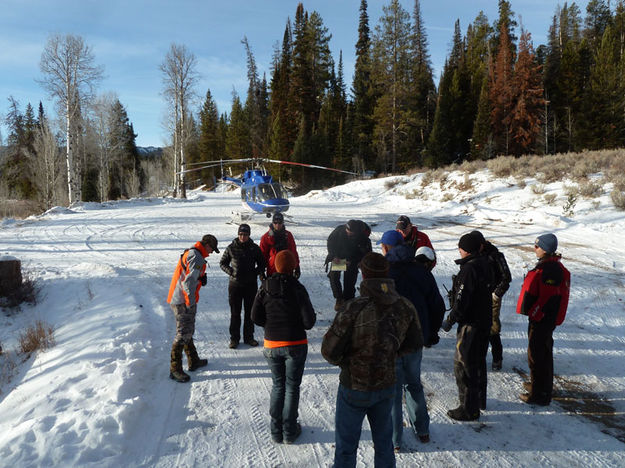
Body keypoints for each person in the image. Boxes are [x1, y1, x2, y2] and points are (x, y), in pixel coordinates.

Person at [322, 252, 421, 468]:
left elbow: (329, 351)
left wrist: (348, 361)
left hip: (354, 386)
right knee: (385, 445)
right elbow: (414, 343)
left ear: (363, 275)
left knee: (346, 447)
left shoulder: (352, 308)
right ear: (386, 273)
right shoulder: (404, 306)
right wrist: (389, 353)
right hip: (386, 385)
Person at [378, 230, 445, 451]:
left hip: (391, 341)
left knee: (393, 391)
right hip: (416, 339)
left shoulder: (383, 274)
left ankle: (396, 441)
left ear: (386, 248)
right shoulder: (422, 271)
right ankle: (422, 430)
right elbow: (437, 305)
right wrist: (431, 333)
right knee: (413, 384)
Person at [251, 250, 316, 444]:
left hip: (272, 344)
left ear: (276, 266)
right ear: (294, 266)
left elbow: (255, 316)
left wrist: (269, 325)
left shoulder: (265, 287)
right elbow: (309, 322)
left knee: (278, 385)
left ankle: (275, 431)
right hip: (295, 343)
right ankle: (289, 431)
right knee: (291, 387)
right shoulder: (298, 288)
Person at [441, 233, 492, 421]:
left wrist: (451, 319)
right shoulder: (485, 264)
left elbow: (462, 300)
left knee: (464, 365)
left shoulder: (469, 270)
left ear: (466, 250)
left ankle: (468, 408)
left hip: (471, 324)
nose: (459, 250)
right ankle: (478, 400)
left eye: (460, 247)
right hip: (484, 320)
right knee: (478, 362)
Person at [516, 233, 570, 406]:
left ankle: (540, 395)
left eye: (537, 246)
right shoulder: (550, 266)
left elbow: (547, 298)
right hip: (543, 319)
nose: (534, 248)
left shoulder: (550, 270)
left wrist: (536, 313)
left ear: (545, 249)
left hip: (542, 320)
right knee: (541, 352)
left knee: (538, 355)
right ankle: (539, 385)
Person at [166, 234, 219, 383]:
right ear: (206, 245)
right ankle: (174, 369)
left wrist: (200, 279)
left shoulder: (192, 252)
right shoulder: (196, 257)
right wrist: (190, 303)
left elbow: (189, 277)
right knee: (183, 333)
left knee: (188, 330)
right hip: (182, 300)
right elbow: (188, 284)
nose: (210, 253)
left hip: (180, 298)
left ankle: (193, 360)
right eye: (211, 250)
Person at [220, 223, 266, 349]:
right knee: (235, 313)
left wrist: (255, 273)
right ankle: (234, 339)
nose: (242, 237)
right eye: (240, 234)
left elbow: (262, 264)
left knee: (249, 313)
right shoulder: (231, 248)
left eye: (245, 235)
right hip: (235, 285)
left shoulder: (254, 248)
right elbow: (222, 263)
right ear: (238, 234)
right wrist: (231, 271)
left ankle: (249, 337)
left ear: (249, 235)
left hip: (250, 285)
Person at [471, 230, 512, 371]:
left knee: (492, 329)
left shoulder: (495, 256)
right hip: (476, 296)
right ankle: (477, 357)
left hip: (491, 297)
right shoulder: (474, 253)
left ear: (482, 243)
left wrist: (496, 294)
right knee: (475, 326)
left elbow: (507, 277)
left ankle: (497, 358)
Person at [325, 219, 372, 311]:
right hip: (339, 258)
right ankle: (339, 298)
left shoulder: (363, 237)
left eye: (351, 233)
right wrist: (333, 256)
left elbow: (366, 253)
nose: (348, 233)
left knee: (349, 281)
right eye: (347, 231)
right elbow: (330, 242)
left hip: (353, 260)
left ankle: (348, 301)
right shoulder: (339, 231)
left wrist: (356, 261)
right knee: (333, 277)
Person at [260, 212, 301, 279]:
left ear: (283, 223)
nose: (277, 225)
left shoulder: (288, 235)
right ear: (272, 223)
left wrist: (297, 266)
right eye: (275, 223)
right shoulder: (266, 237)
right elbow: (263, 254)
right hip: (272, 270)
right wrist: (261, 270)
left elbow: (293, 252)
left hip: (287, 269)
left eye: (280, 223)